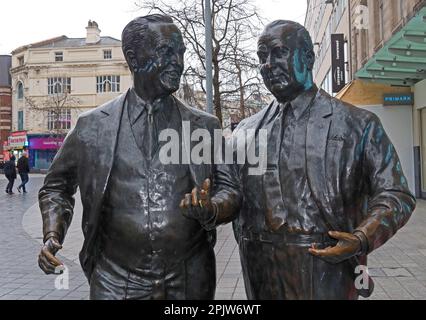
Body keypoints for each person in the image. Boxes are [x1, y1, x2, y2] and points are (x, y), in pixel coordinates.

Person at [182, 20, 415, 300]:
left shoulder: (357, 124)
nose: (268, 64)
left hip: (328, 265)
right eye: (261, 56)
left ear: (308, 57)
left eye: (278, 52)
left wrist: (362, 237)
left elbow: (396, 194)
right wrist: (211, 210)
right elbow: (231, 193)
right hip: (260, 267)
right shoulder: (245, 130)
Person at [37, 14, 233, 300]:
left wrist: (212, 208)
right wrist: (53, 233)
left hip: (189, 278)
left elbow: (231, 189)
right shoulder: (91, 126)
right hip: (115, 279)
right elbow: (56, 186)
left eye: (180, 53)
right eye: (166, 51)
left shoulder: (204, 126)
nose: (178, 61)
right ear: (133, 57)